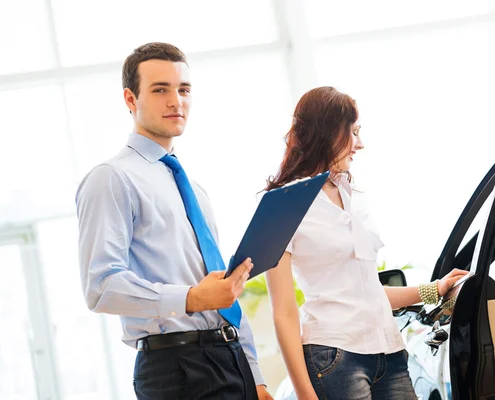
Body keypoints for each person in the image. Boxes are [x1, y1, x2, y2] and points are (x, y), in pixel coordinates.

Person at [76, 42, 273, 400]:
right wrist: (192, 298)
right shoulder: (112, 178)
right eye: (160, 89)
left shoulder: (194, 189)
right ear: (130, 99)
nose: (175, 101)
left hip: (229, 358)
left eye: (183, 89)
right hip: (175, 367)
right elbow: (101, 287)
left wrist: (255, 375)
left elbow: (221, 288)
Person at [264, 86, 468, 400]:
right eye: (354, 132)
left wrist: (435, 288)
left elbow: (369, 291)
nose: (360, 144)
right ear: (328, 133)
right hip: (333, 356)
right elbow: (284, 312)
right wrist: (305, 393)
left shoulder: (352, 195)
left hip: (389, 353)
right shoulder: (282, 204)